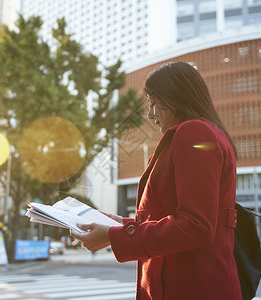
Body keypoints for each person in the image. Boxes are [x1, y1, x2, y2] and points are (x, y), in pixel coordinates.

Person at [71, 61, 242, 299]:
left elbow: (196, 225)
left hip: (190, 288)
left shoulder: (194, 132)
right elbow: (172, 215)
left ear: (176, 100)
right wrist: (121, 225)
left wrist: (114, 236)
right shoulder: (204, 133)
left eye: (154, 103)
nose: (151, 114)